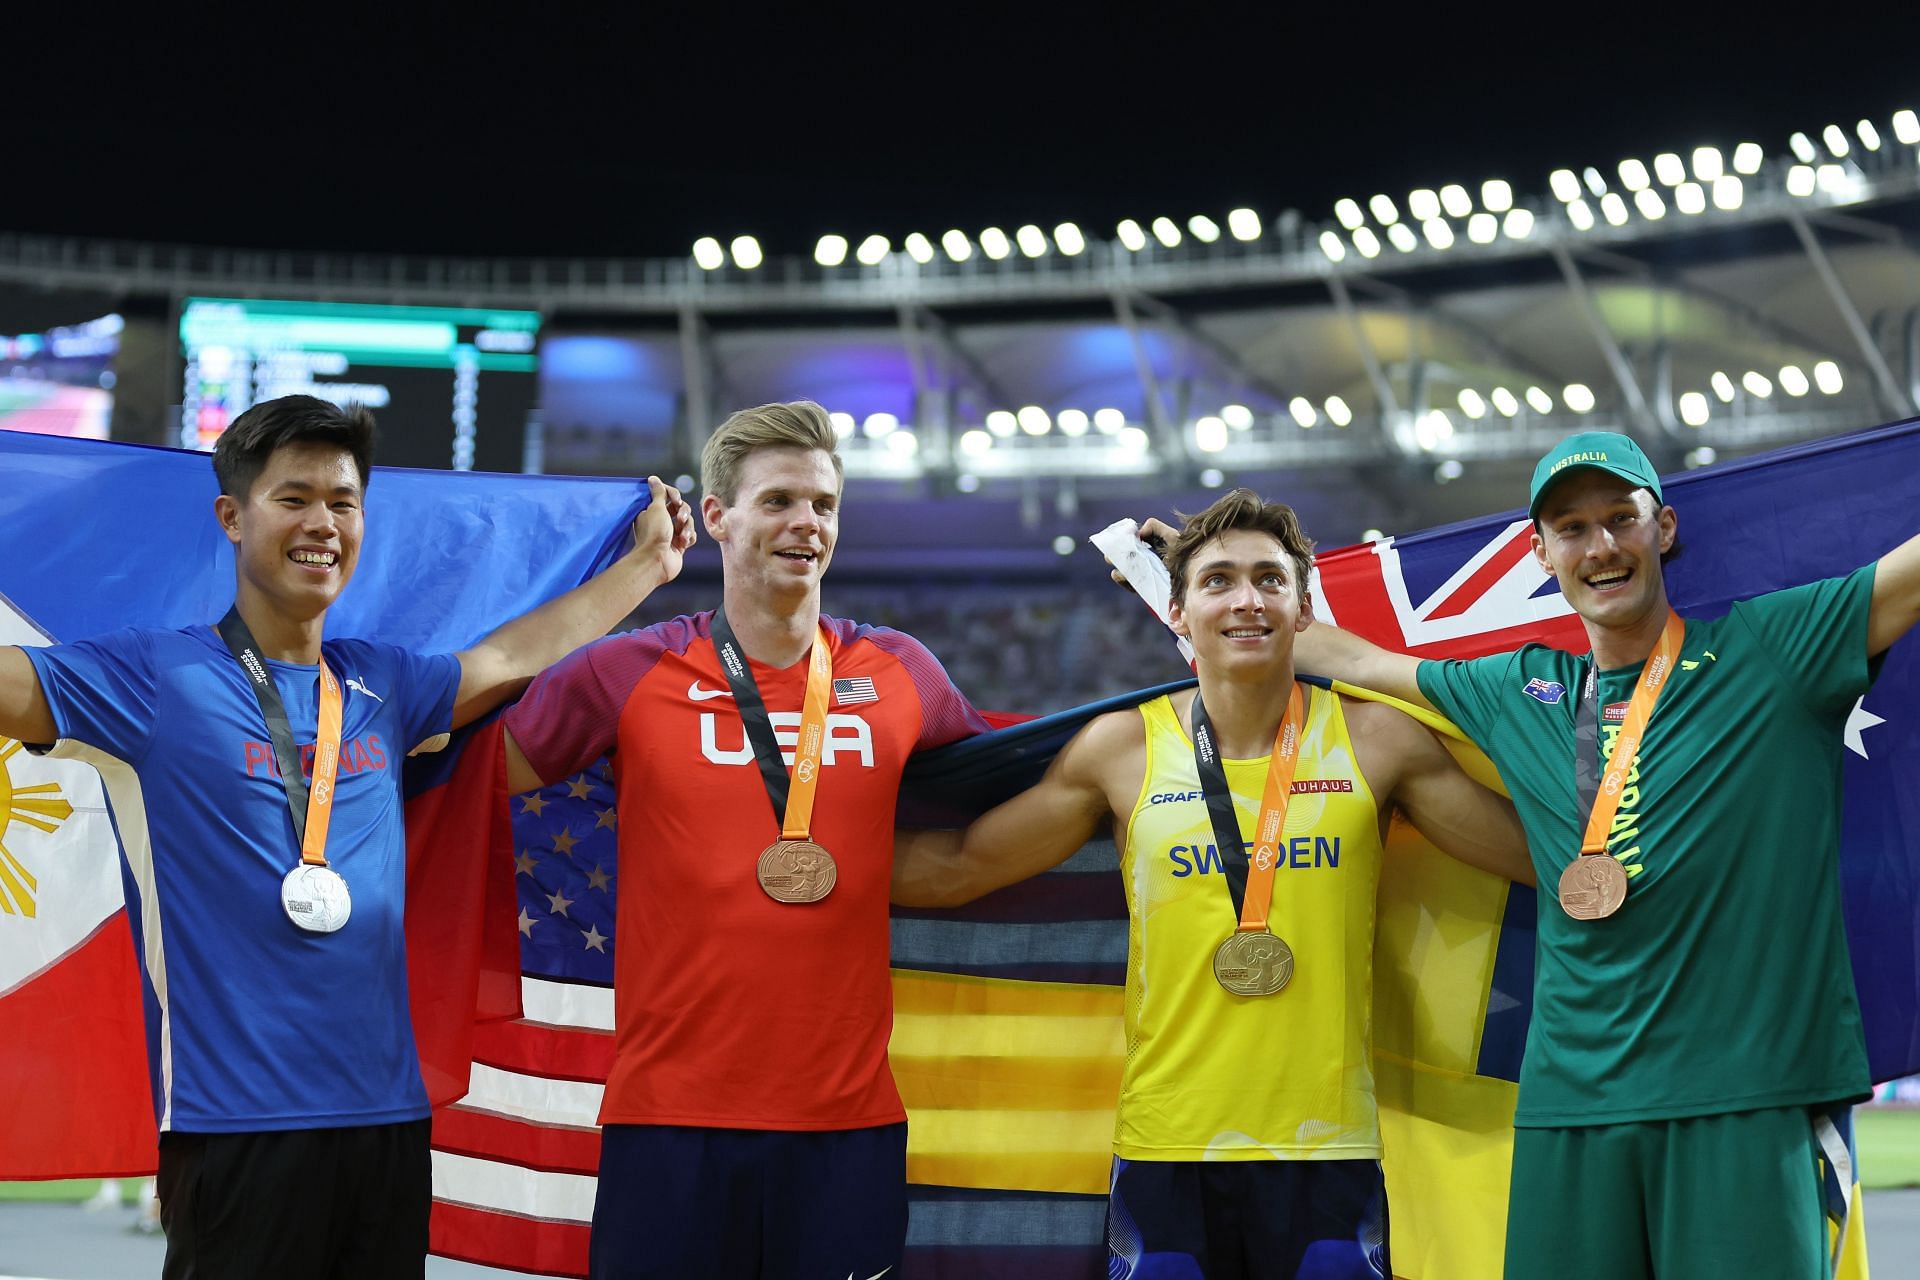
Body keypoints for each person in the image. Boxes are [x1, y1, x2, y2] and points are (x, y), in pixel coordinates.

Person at [0, 394, 696, 1280]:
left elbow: (509, 660)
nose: (322, 522)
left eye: (343, 501)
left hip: (385, 1125)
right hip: (236, 1127)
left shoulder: (382, 685)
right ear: (232, 516)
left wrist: (645, 568)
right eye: (293, 498)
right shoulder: (149, 678)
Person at [1255, 430, 1920, 1279]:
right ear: (1540, 553)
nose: (1600, 546)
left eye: (1620, 519)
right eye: (1571, 529)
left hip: (1745, 1100)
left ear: (1664, 528)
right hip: (1570, 1107)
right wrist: (1189, 587)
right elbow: (1348, 655)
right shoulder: (1518, 689)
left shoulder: (1775, 652)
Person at [892, 488, 1534, 1280]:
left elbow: (1534, 861)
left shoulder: (1376, 742)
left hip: (1329, 1151)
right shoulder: (1121, 751)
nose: (1246, 600)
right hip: (1168, 1149)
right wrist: (740, 860)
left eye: (1270, 580)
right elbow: (961, 867)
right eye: (1218, 580)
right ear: (1180, 610)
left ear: (1304, 611)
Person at [501, 400, 990, 1280]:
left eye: (824, 504)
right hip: (669, 1122)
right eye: (778, 501)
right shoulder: (628, 671)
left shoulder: (902, 673)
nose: (807, 522)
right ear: (718, 518)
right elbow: (467, 776)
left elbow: (1011, 796)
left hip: (846, 1124)